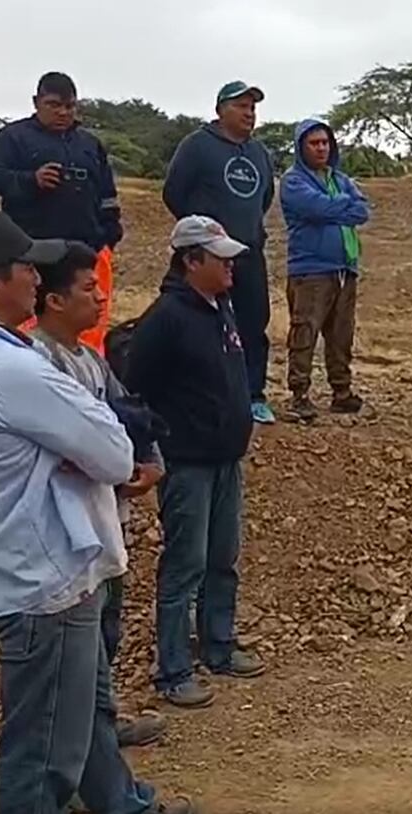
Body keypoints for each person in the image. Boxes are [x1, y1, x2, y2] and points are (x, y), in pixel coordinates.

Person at [0, 211, 193, 814]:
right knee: (42, 752)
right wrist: (96, 447)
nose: (34, 280)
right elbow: (115, 451)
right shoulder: (13, 369)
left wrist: (80, 446)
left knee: (76, 712)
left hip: (17, 564)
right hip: (43, 581)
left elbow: (96, 445)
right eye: (25, 268)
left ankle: (122, 802)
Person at [30, 241, 168, 749]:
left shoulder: (89, 356)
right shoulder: (34, 362)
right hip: (68, 529)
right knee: (76, 640)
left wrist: (150, 463)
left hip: (107, 516)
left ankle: (99, 722)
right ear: (53, 300)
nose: (102, 296)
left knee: (106, 628)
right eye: (89, 288)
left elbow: (128, 411)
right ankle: (78, 735)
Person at [125, 216, 264, 710]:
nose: (231, 265)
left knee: (222, 559)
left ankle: (219, 646)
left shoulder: (219, 307)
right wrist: (153, 447)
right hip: (187, 463)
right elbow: (136, 387)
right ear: (191, 261)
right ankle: (173, 668)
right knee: (185, 565)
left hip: (225, 458)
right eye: (220, 257)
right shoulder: (166, 318)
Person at [0, 71, 123, 355]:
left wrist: (110, 234)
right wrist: (31, 180)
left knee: (90, 317)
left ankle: (88, 374)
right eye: (54, 105)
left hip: (87, 249)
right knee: (32, 318)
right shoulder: (13, 138)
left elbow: (108, 194)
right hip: (34, 250)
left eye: (69, 106)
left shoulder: (89, 144)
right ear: (37, 102)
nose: (63, 112)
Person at [162, 81, 277, 425]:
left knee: (254, 322)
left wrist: (248, 229)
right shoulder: (197, 146)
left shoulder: (259, 153)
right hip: (206, 253)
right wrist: (202, 234)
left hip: (248, 251)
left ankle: (252, 394)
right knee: (200, 319)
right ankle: (198, 389)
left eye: (252, 107)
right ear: (220, 110)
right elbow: (174, 193)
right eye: (241, 106)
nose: (249, 113)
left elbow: (265, 196)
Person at [281, 118, 371, 422]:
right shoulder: (293, 180)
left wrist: (335, 205)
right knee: (305, 330)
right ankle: (299, 394)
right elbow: (316, 208)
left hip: (345, 267)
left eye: (324, 142)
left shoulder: (339, 179)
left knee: (341, 334)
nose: (321, 148)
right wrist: (341, 205)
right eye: (314, 143)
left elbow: (362, 211)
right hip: (310, 268)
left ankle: (341, 392)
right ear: (300, 147)